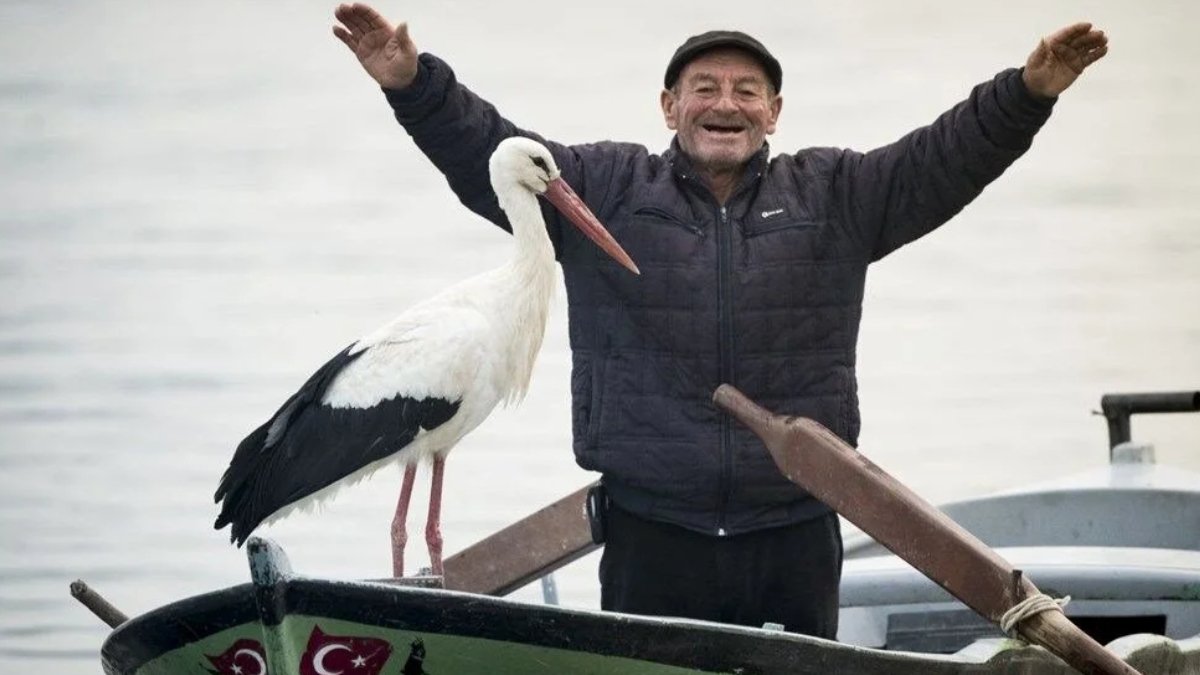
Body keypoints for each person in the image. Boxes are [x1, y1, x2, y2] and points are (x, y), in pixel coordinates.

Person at [331, 3, 1107, 638]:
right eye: (703, 87)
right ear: (669, 107)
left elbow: (945, 158)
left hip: (795, 525)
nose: (725, 103)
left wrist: (1029, 91)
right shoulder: (603, 186)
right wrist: (412, 83)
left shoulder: (836, 193)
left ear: (773, 111)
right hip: (651, 531)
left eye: (747, 89)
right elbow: (488, 152)